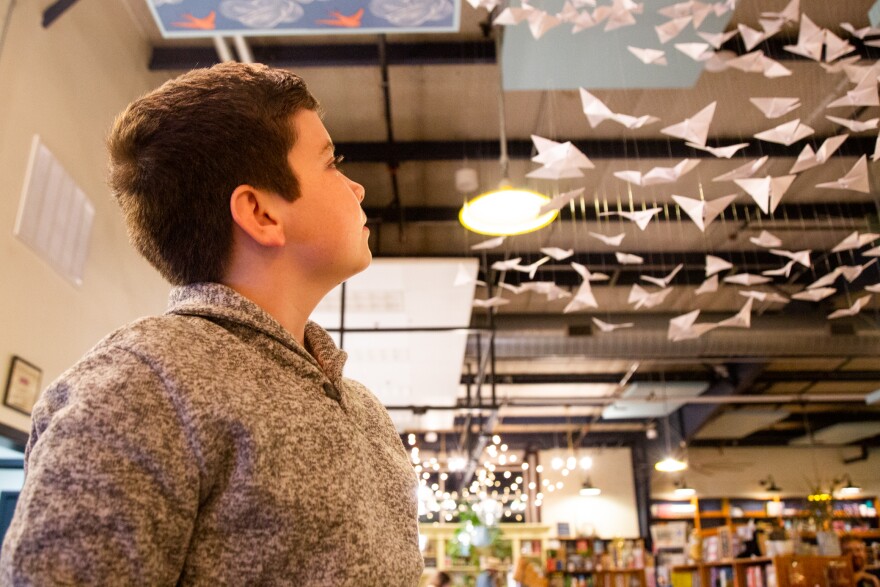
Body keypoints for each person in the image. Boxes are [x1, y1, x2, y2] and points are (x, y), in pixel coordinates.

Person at [0, 63, 423, 585]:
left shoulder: (364, 411)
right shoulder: (139, 387)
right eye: (331, 163)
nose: (357, 188)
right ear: (261, 213)